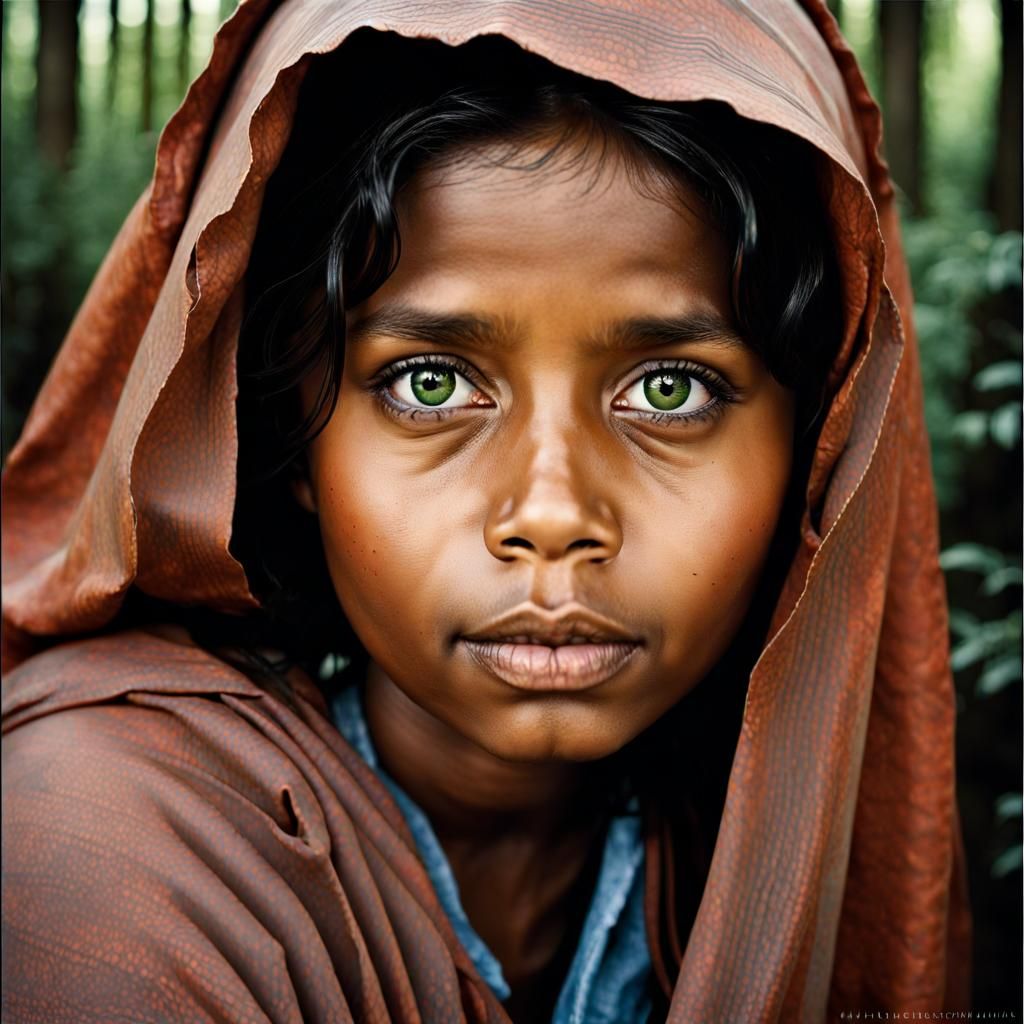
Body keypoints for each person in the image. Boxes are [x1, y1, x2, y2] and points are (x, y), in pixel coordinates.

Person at [1, 2, 972, 1022]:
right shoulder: (108, 858)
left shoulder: (776, 832)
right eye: (428, 384)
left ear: (814, 451)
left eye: (669, 390)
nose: (551, 514)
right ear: (291, 434)